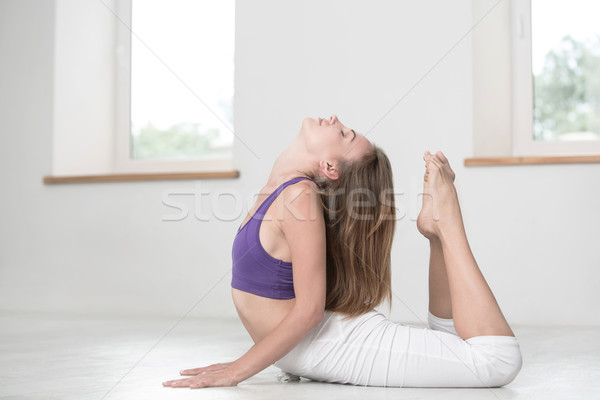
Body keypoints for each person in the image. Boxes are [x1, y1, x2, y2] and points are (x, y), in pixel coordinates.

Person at [162, 115, 523, 389]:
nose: (335, 120)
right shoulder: (280, 191)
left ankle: (447, 223)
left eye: (345, 133)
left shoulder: (298, 196)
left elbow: (307, 312)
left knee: (497, 360)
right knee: (448, 346)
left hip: (337, 345)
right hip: (316, 349)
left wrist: (238, 370)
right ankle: (435, 236)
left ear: (330, 167)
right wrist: (265, 360)